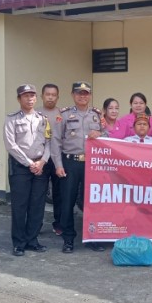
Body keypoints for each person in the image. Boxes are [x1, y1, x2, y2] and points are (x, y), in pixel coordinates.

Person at [50, 81, 106, 253]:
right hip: (70, 162)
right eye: (79, 93)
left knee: (91, 202)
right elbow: (56, 141)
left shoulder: (97, 115)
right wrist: (58, 165)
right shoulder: (64, 114)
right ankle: (68, 239)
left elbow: (108, 135)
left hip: (92, 164)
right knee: (67, 201)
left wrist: (101, 133)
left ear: (89, 95)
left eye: (86, 93)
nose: (83, 96)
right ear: (73, 95)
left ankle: (92, 238)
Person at [3, 84, 51, 256]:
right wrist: (30, 162)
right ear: (19, 99)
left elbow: (48, 142)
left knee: (37, 206)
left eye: (32, 96)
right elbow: (11, 145)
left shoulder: (43, 119)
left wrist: (43, 162)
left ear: (36, 98)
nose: (29, 99)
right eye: (25, 96)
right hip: (20, 168)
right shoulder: (12, 119)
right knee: (20, 206)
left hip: (40, 167)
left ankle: (32, 240)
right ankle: (19, 242)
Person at [37, 83, 63, 236]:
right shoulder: (35, 113)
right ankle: (36, 224)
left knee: (59, 194)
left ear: (57, 97)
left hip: (58, 159)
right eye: (48, 94)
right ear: (42, 96)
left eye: (54, 95)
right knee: (39, 193)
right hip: (41, 160)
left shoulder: (63, 113)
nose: (51, 97)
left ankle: (58, 224)